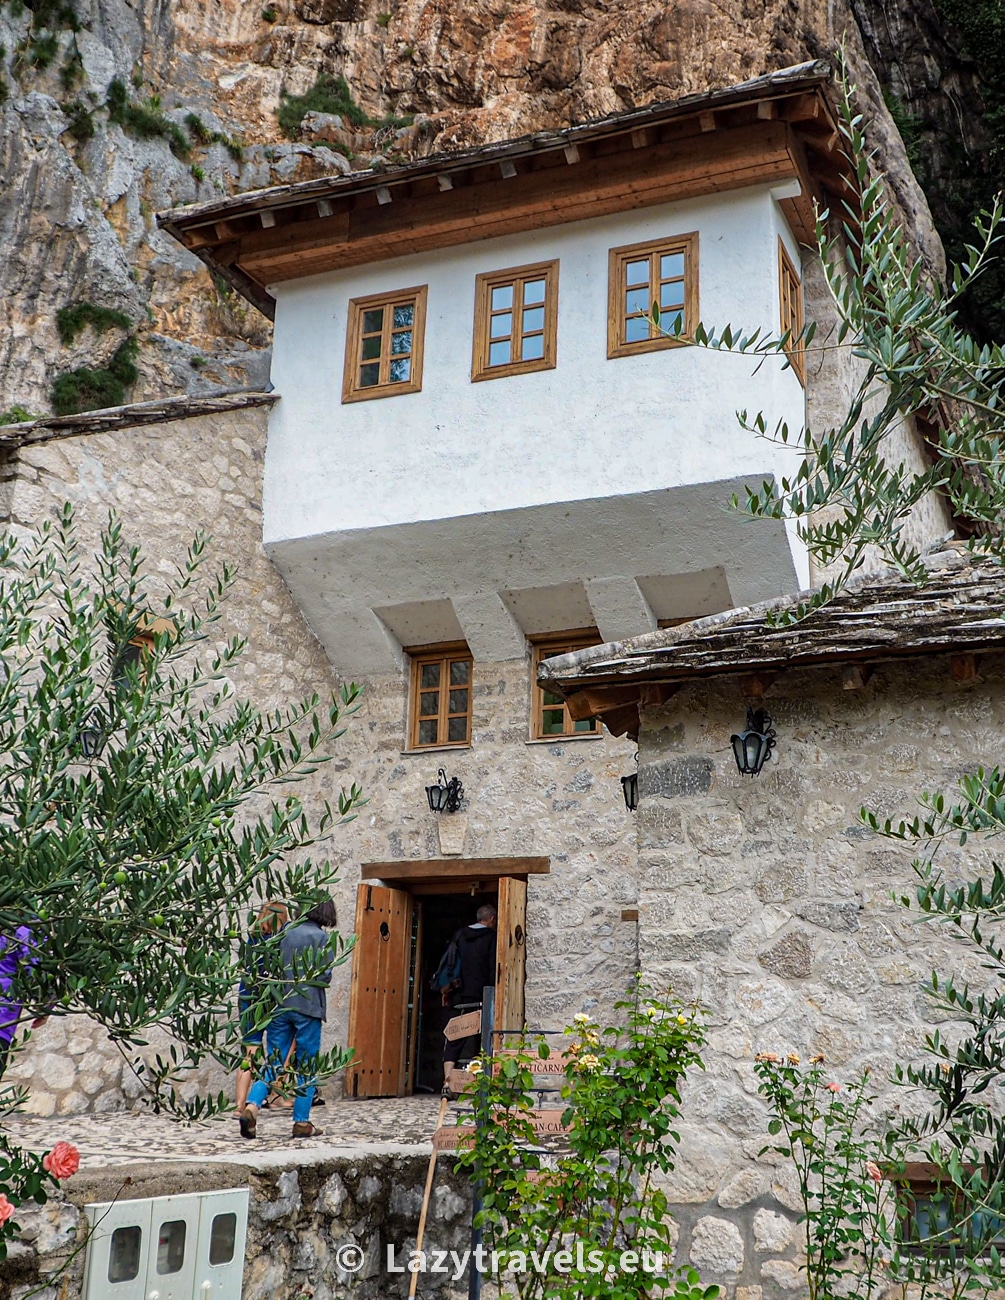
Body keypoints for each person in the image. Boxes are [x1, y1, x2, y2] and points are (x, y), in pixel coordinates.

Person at [239, 895, 338, 1140]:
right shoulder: (322, 938)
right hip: (308, 1008)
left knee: (274, 1061)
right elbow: (324, 976)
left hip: (279, 1006)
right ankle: (301, 1122)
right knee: (306, 1065)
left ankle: (252, 1106)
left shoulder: (283, 932)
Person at [235, 900, 290, 1116]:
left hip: (248, 998)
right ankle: (276, 1096)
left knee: (249, 1052)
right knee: (278, 1051)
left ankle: (239, 1104)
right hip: (273, 1000)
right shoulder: (281, 941)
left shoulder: (252, 940)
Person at [442, 903, 497, 1089]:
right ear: (491, 919)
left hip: (460, 993)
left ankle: (447, 1080)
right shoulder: (491, 938)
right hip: (483, 994)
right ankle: (482, 1082)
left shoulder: (460, 935)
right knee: (485, 1036)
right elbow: (491, 967)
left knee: (456, 1035)